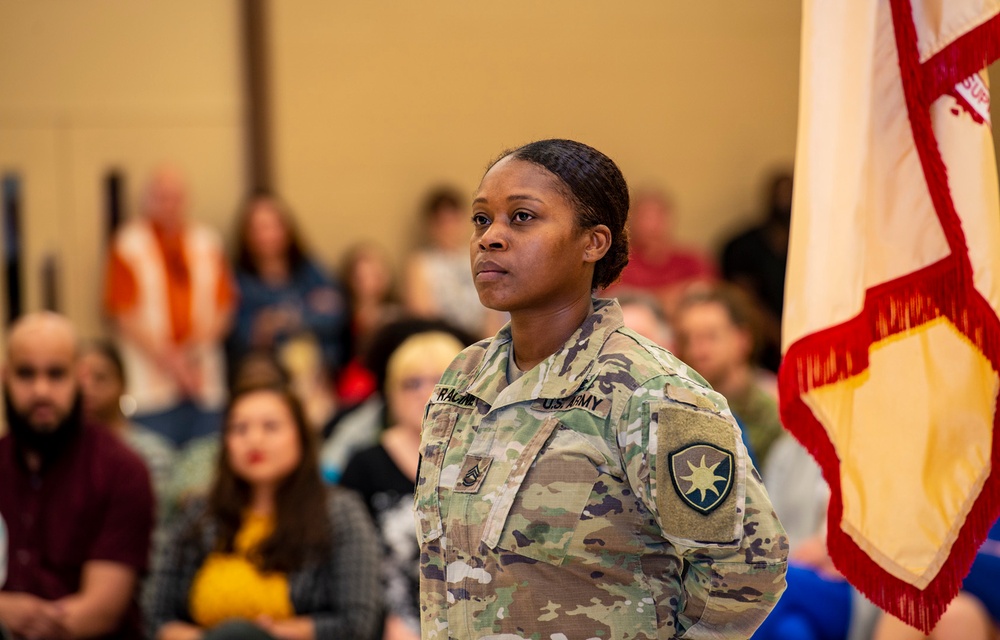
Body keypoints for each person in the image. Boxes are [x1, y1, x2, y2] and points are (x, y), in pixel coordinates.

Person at [416, 139, 787, 639]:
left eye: (522, 217)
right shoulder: (462, 377)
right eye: (482, 220)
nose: (491, 238)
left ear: (594, 243)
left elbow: (747, 569)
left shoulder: (651, 393)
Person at [148, 383, 381, 640]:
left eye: (270, 427)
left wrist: (268, 635)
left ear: (301, 436)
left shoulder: (339, 512)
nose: (254, 440)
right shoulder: (200, 513)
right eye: (240, 429)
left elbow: (356, 624)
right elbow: (158, 617)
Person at [0, 313, 155, 640]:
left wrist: (15, 618)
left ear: (80, 378)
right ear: (5, 377)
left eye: (56, 374)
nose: (41, 390)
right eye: (26, 374)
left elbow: (100, 610)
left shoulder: (122, 470)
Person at [340, 332, 464, 640]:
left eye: (439, 380)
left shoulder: (484, 457)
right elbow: (348, 564)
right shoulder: (364, 464)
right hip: (387, 623)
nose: (426, 392)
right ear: (391, 392)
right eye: (412, 383)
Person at [103, 165, 236, 446]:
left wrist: (192, 358)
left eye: (175, 196)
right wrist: (175, 365)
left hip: (203, 378)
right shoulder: (129, 242)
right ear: (146, 200)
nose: (169, 204)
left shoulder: (207, 240)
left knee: (204, 460)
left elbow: (224, 307)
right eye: (161, 197)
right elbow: (122, 313)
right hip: (151, 384)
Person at [229, 193, 348, 380]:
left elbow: (334, 316)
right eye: (258, 228)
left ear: (286, 228)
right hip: (268, 373)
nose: (267, 236)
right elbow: (243, 335)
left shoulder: (310, 270)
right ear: (246, 234)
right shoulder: (239, 281)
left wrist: (285, 319)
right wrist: (305, 311)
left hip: (321, 368)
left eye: (272, 226)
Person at [673, 286, 783, 470]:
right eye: (687, 339)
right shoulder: (678, 406)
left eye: (710, 337)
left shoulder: (773, 410)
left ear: (743, 339)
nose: (697, 350)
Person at [78, 340, 176, 509]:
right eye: (80, 380)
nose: (88, 389)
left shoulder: (151, 452)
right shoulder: (62, 450)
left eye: (100, 378)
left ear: (122, 384)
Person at [403, 186, 501, 338]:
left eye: (453, 220)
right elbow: (422, 315)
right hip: (441, 340)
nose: (448, 228)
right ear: (431, 225)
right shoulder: (422, 262)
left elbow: (492, 311)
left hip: (478, 338)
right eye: (442, 222)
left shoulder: (479, 257)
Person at [720, 171, 793, 373]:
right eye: (780, 193)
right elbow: (742, 295)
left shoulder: (814, 245)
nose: (784, 199)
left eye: (790, 192)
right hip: (759, 346)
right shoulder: (742, 245)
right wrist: (779, 335)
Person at [603, 187, 716, 317]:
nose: (652, 225)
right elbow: (615, 302)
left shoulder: (692, 259)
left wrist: (647, 297)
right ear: (631, 221)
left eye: (658, 216)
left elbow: (708, 296)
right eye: (645, 217)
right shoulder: (618, 261)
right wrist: (678, 294)